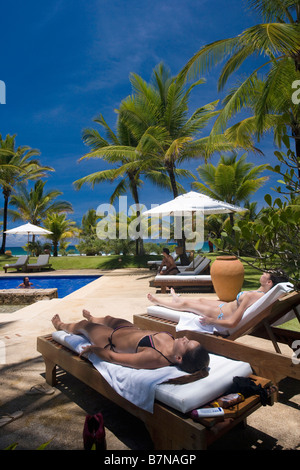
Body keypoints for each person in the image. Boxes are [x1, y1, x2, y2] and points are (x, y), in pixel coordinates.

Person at [51, 310, 210, 384]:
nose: (185, 338)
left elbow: (114, 358)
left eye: (187, 343)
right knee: (108, 318)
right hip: (130, 330)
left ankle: (60, 325)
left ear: (179, 358)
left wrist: (94, 349)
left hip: (110, 339)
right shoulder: (174, 344)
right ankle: (94, 317)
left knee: (84, 325)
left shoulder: (154, 358)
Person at [148, 271, 289, 329]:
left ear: (269, 283)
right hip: (225, 306)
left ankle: (159, 302)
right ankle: (175, 299)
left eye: (266, 273)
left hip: (222, 314)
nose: (263, 273)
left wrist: (211, 321)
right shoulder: (260, 294)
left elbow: (233, 323)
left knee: (187, 304)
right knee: (201, 300)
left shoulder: (253, 296)